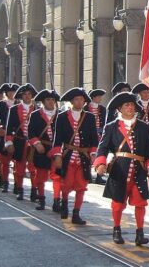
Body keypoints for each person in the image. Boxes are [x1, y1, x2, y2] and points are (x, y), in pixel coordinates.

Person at [94, 92, 149, 246]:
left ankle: (140, 234)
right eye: (127, 105)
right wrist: (100, 163)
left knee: (140, 203)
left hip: (138, 170)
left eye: (133, 105)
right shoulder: (111, 127)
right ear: (119, 108)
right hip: (119, 170)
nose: (131, 108)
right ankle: (116, 230)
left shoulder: (143, 127)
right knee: (118, 203)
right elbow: (103, 148)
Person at [51, 87, 98, 224]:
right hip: (68, 155)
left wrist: (93, 153)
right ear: (72, 101)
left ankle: (76, 213)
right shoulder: (62, 116)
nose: (79, 102)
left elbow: (94, 138)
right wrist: (58, 155)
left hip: (83, 156)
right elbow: (57, 138)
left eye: (82, 100)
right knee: (66, 184)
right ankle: (64, 204)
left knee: (81, 186)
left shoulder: (89, 117)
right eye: (77, 99)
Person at [27, 89, 60, 211]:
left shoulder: (60, 114)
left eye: (52, 100)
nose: (51, 102)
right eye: (48, 100)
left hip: (56, 148)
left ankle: (57, 201)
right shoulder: (35, 115)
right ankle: (41, 199)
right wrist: (36, 144)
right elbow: (30, 132)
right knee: (40, 176)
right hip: (42, 148)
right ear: (43, 101)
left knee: (57, 176)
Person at [5, 83, 38, 201]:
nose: (27, 96)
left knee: (34, 169)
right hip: (19, 142)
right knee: (19, 169)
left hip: (33, 144)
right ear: (21, 96)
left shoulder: (37, 109)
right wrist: (9, 143)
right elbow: (9, 128)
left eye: (29, 94)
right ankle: (20, 189)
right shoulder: (14, 109)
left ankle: (35, 191)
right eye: (25, 94)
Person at [0, 83, 19, 192]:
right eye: (9, 92)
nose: (12, 94)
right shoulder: (1, 105)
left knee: (18, 162)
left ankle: (17, 184)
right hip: (4, 134)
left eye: (13, 92)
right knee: (4, 161)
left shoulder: (19, 104)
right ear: (6, 93)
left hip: (17, 136)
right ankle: (5, 181)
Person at [88, 89, 108, 185]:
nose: (100, 99)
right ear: (94, 97)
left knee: (100, 154)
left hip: (99, 134)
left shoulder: (102, 109)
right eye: (99, 97)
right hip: (89, 134)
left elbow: (104, 122)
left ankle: (99, 176)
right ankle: (88, 175)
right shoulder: (86, 107)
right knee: (88, 154)